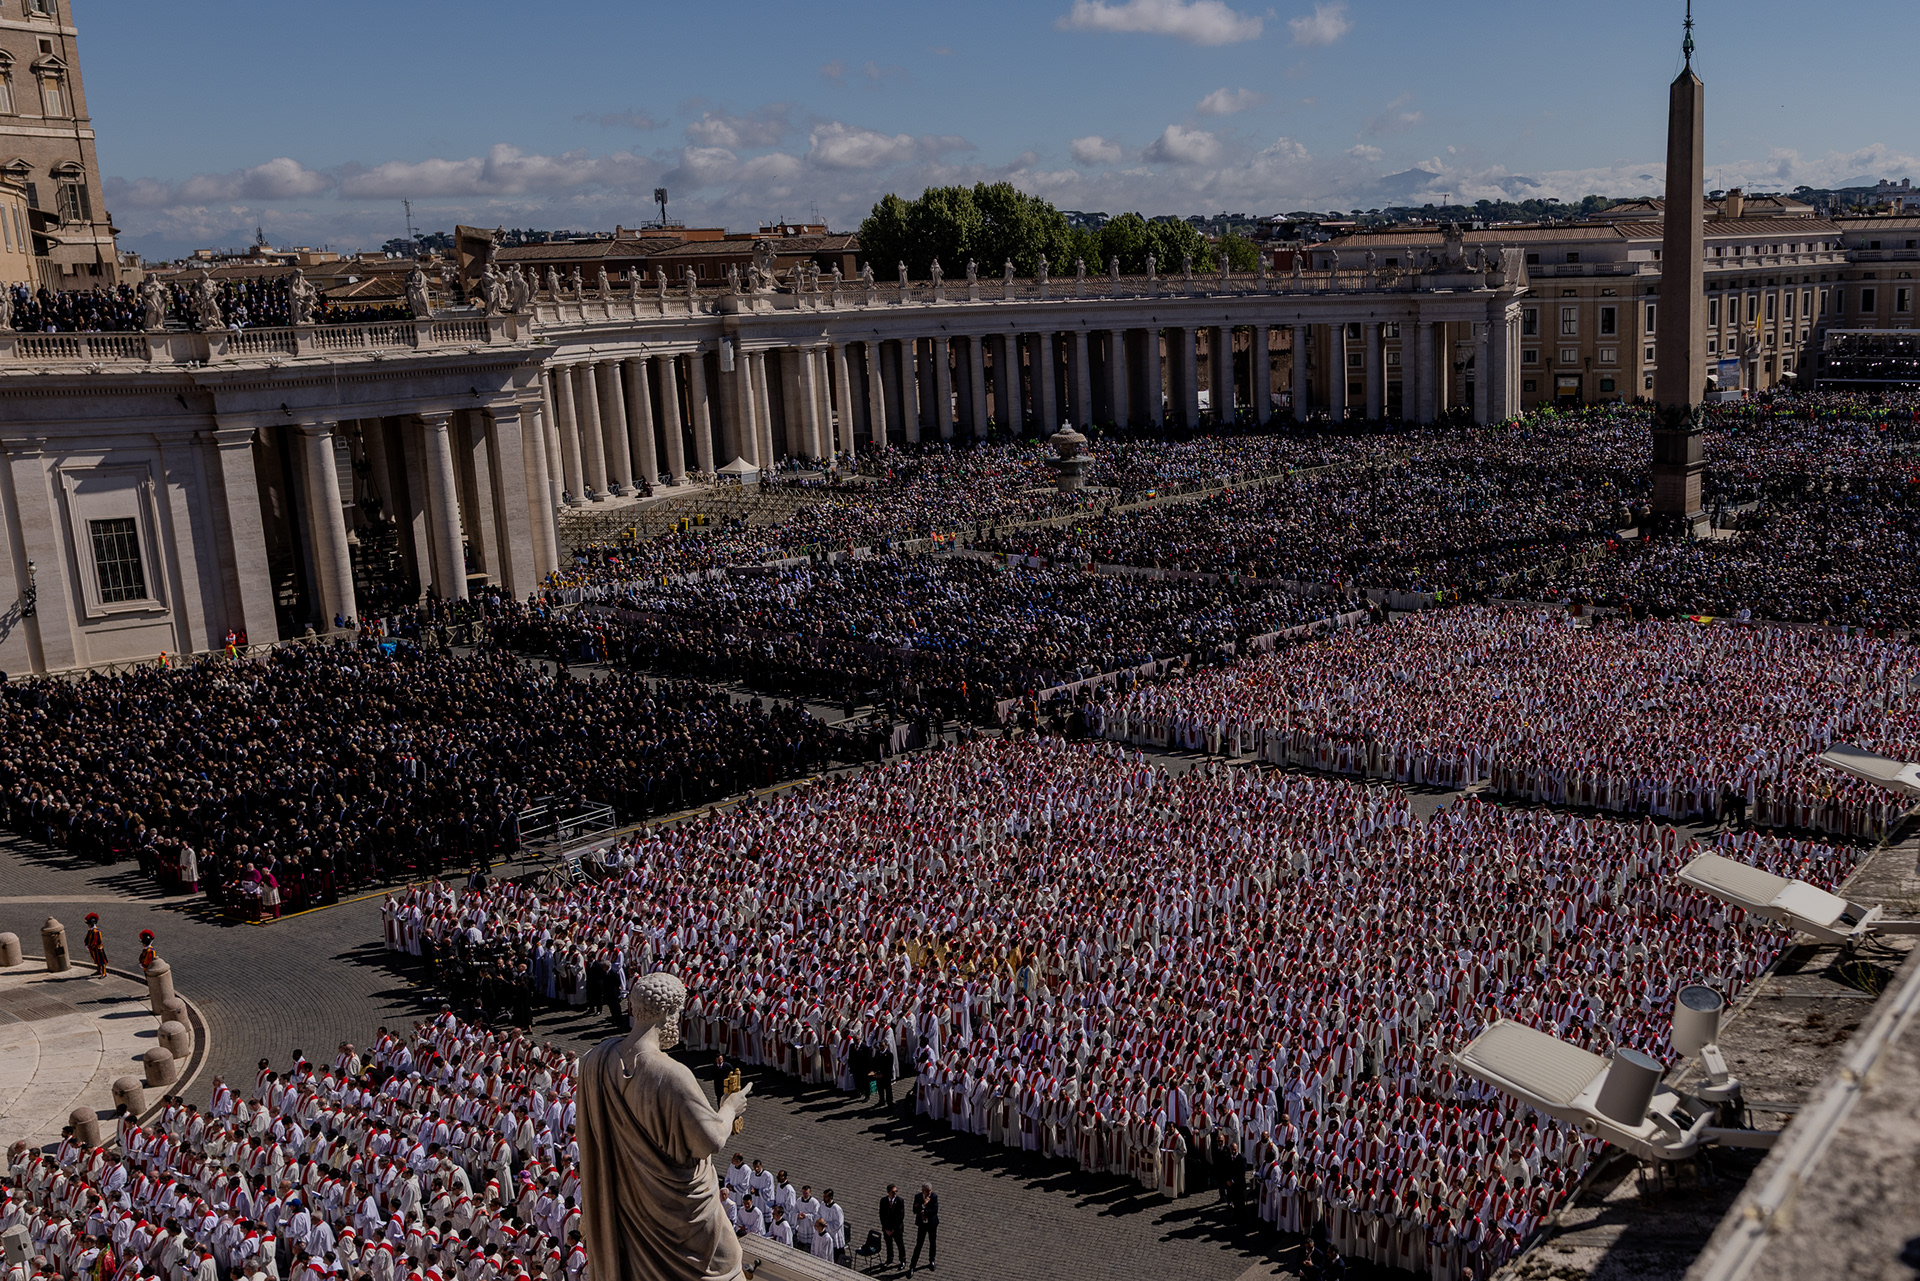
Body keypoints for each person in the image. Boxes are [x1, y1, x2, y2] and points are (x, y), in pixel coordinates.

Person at [909, 1183, 938, 1273]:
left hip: (931, 1224)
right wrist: (923, 1205)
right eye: (927, 1191)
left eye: (930, 1191)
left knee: (932, 1242)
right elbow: (914, 1210)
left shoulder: (934, 1197)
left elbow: (935, 1210)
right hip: (922, 1225)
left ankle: (932, 1261)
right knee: (919, 1244)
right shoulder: (918, 1197)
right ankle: (912, 1266)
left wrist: (925, 1213)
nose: (929, 1193)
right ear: (923, 1191)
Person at [878, 1184, 905, 1268]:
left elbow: (900, 1217)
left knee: (900, 1245)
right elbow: (882, 1215)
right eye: (893, 1192)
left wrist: (893, 1229)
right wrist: (886, 1228)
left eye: (896, 1191)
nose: (895, 1193)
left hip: (896, 1229)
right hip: (887, 1229)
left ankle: (902, 1260)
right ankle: (889, 1258)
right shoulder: (883, 1201)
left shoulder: (900, 1201)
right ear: (888, 1192)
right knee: (888, 1244)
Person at [83, 913, 108, 977]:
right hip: (93, 949)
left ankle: (104, 972)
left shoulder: (96, 931)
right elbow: (87, 938)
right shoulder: (90, 931)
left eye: (89, 924)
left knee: (101, 960)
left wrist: (91, 946)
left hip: (98, 948)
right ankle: (98, 970)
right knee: (96, 960)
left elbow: (98, 941)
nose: (88, 925)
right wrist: (86, 944)